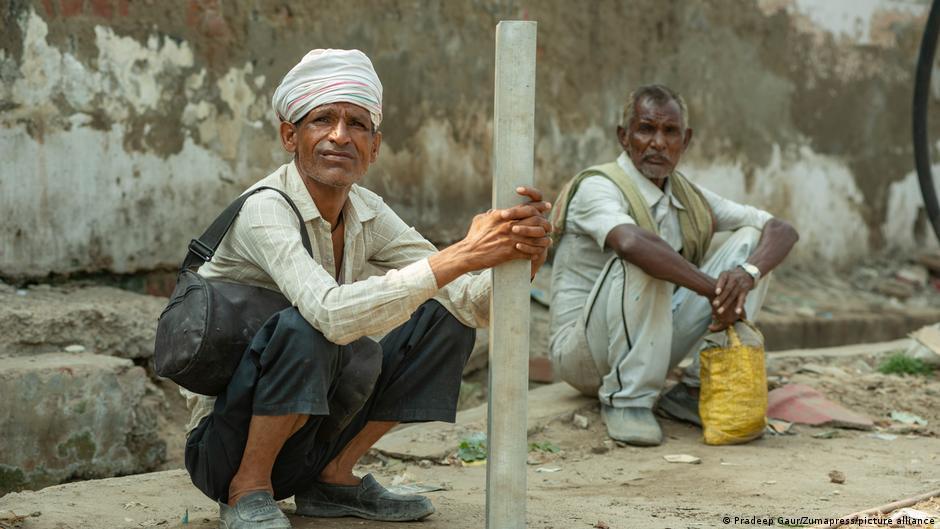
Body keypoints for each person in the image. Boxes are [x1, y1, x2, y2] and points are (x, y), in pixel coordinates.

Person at [180, 49, 552, 529]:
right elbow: (329, 314)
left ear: (374, 147)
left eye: (357, 124)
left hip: (311, 435)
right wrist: (466, 252)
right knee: (307, 327)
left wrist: (520, 258)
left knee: (445, 318)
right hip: (223, 444)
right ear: (290, 135)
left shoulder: (367, 211)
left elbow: (468, 303)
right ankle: (248, 490)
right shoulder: (265, 209)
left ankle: (333, 479)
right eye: (322, 120)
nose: (340, 135)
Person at [548, 84, 798, 447]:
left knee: (750, 239)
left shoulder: (685, 195)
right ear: (624, 137)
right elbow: (631, 243)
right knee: (644, 256)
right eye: (646, 129)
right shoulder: (599, 187)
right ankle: (627, 400)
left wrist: (746, 276)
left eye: (670, 132)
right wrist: (717, 291)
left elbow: (781, 229)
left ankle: (693, 390)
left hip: (652, 345)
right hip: (583, 355)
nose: (658, 143)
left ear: (686, 139)